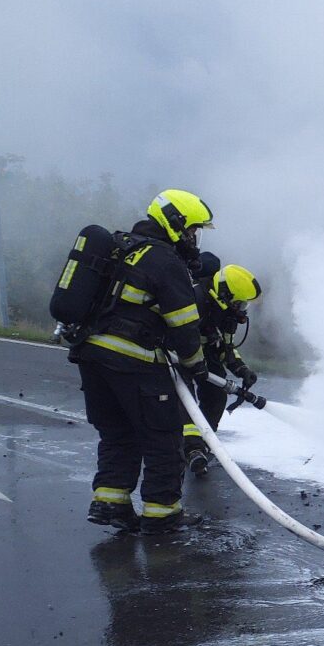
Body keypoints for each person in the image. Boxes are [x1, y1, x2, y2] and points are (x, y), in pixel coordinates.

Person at [72, 189, 212, 533]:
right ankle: (162, 514)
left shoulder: (123, 247)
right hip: (134, 361)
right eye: (193, 230)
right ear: (176, 224)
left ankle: (110, 504)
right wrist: (196, 364)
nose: (194, 239)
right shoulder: (166, 261)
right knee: (163, 438)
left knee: (118, 434)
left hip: (91, 356)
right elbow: (183, 325)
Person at [183, 262, 263, 476]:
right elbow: (179, 335)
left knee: (216, 396)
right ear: (226, 293)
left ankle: (204, 443)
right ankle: (191, 448)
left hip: (203, 355)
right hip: (178, 355)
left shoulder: (226, 313)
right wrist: (193, 362)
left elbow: (225, 348)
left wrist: (241, 369)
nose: (242, 309)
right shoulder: (195, 299)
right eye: (240, 303)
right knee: (185, 399)